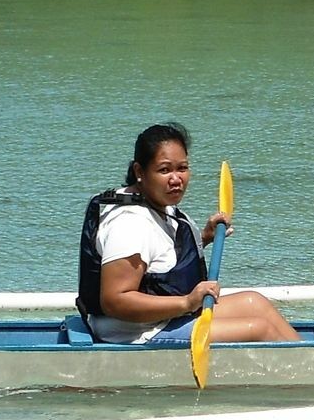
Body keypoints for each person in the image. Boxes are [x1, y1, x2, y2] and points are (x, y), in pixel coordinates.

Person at [77, 123, 298, 346]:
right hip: (134, 332)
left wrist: (203, 238)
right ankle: (311, 375)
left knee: (255, 303)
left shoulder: (156, 204)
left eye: (182, 168)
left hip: (162, 319)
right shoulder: (129, 224)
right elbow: (116, 301)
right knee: (259, 329)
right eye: (164, 170)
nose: (176, 179)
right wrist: (186, 302)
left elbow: (157, 263)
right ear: (139, 172)